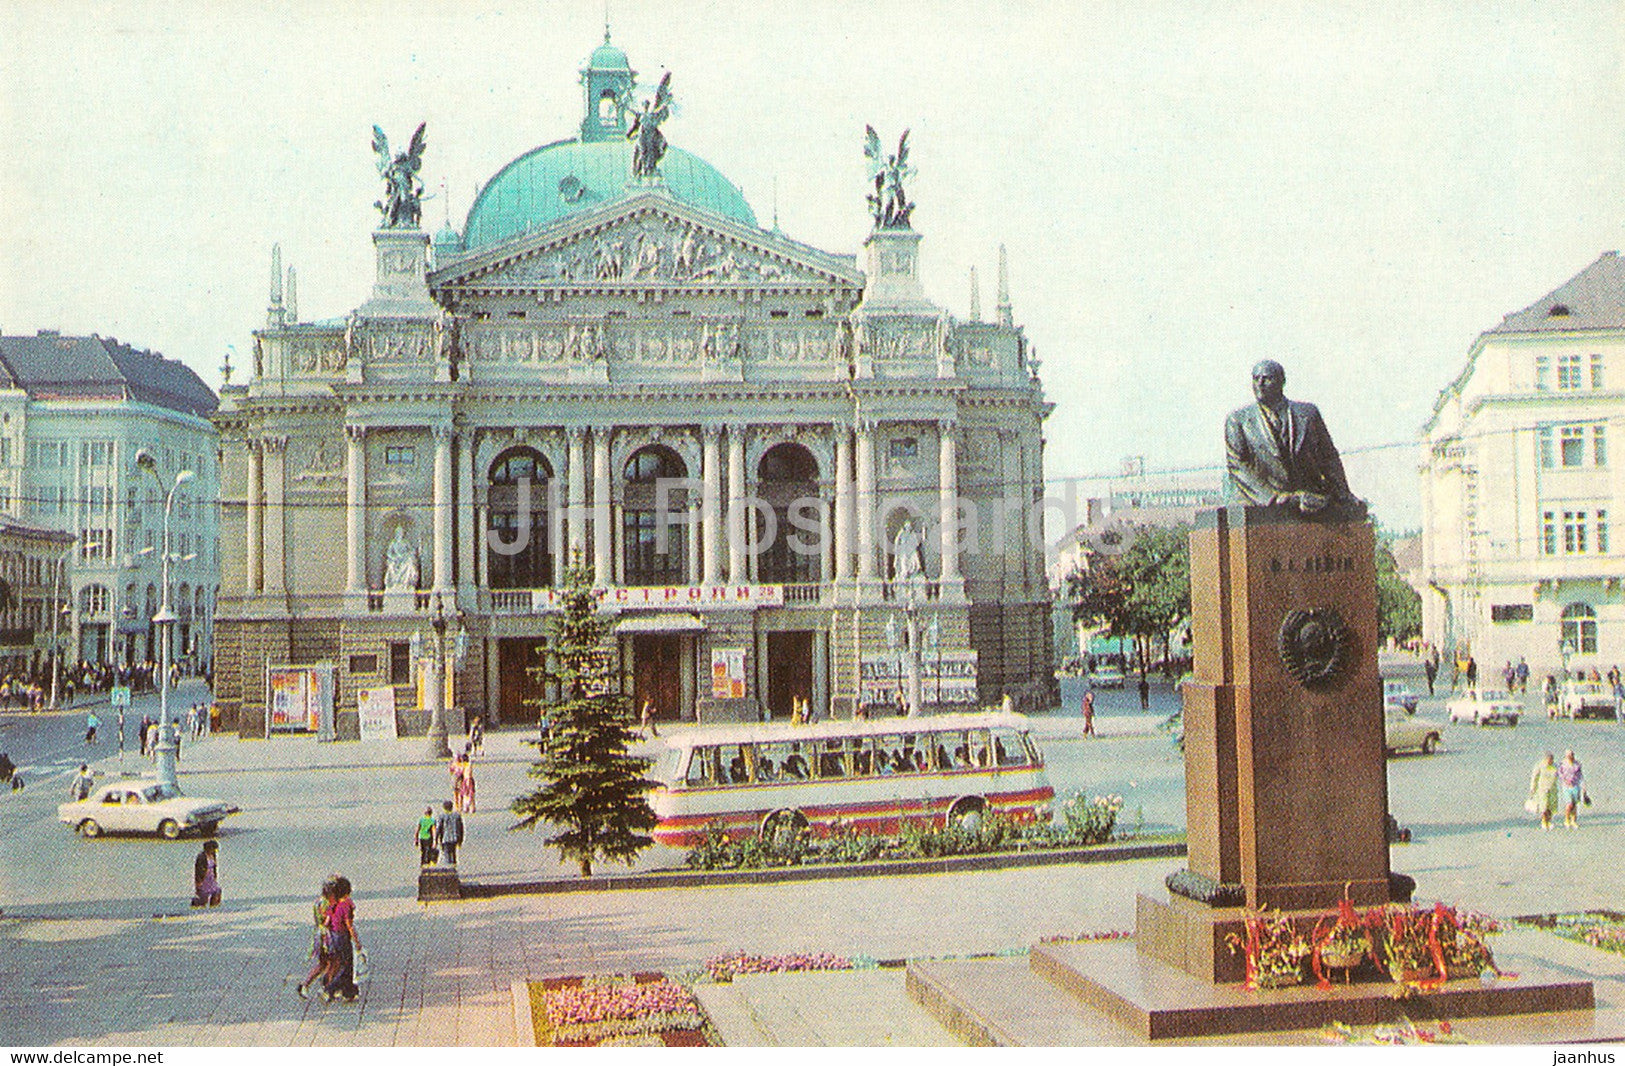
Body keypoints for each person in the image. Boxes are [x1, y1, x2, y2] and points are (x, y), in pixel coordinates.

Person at [1223, 359, 1356, 513]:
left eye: (1267, 378)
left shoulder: (1308, 414)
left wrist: (1343, 493)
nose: (1260, 383)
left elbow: (1328, 458)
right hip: (1261, 506)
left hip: (1308, 502)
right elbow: (1238, 466)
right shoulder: (1238, 420)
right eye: (1256, 378)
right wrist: (1273, 498)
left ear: (1282, 381)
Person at [321, 876, 361, 1002]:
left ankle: (348, 991)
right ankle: (330, 988)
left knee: (345, 964)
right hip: (343, 937)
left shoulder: (334, 904)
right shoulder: (346, 905)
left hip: (334, 937)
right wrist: (356, 941)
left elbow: (326, 922)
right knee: (347, 966)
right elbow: (349, 925)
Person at [296, 879, 335, 999]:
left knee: (322, 964)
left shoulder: (317, 902)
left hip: (318, 932)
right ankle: (326, 988)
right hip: (326, 935)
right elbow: (326, 919)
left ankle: (305, 985)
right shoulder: (326, 903)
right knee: (332, 963)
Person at [1528, 752, 1560, 831]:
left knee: (1551, 806)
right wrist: (1533, 788)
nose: (1550, 761)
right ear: (1545, 759)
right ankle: (1544, 821)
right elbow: (1534, 777)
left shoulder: (1555, 766)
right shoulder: (1540, 766)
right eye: (1549, 759)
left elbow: (1561, 775)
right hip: (1542, 789)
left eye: (1552, 759)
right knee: (1544, 806)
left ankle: (1549, 821)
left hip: (1553, 789)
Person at [1557, 750, 1585, 829]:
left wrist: (1583, 786)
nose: (1571, 757)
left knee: (1575, 804)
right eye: (1569, 755)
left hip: (1576, 786)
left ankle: (1573, 821)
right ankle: (1566, 820)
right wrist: (1565, 781)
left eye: (1572, 755)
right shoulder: (1562, 764)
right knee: (1569, 804)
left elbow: (1580, 775)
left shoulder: (1577, 764)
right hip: (1566, 787)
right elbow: (1560, 774)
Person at [433, 799, 464, 866]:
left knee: (447, 855)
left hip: (445, 839)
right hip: (454, 838)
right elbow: (460, 828)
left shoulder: (442, 816)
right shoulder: (457, 815)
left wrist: (436, 839)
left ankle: (449, 869)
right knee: (453, 854)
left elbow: (439, 828)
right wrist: (460, 840)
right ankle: (454, 867)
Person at [192, 839, 221, 907]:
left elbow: (214, 866)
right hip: (204, 877)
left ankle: (214, 906)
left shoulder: (213, 855)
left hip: (211, 876)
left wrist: (215, 876)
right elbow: (198, 869)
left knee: (217, 891)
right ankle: (198, 904)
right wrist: (198, 881)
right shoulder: (201, 856)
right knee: (203, 894)